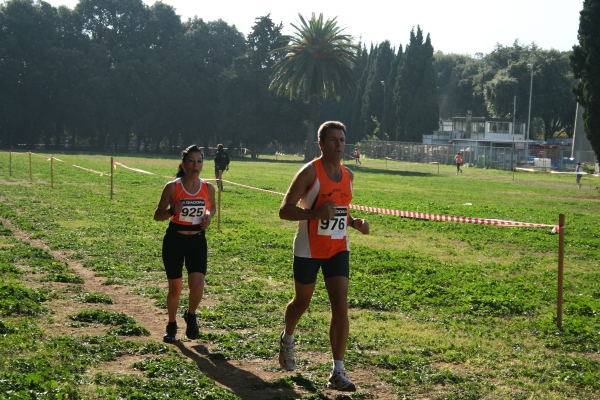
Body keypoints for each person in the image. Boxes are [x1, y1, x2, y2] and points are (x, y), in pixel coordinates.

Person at [278, 121, 370, 392]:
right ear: (321, 143)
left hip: (338, 248)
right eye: (333, 140)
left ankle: (337, 371)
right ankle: (287, 338)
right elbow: (285, 210)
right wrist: (314, 215)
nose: (339, 144)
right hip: (309, 248)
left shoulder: (348, 175)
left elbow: (340, 210)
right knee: (301, 302)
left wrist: (355, 223)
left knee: (340, 306)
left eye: (342, 140)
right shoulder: (310, 172)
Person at [154, 145, 216, 343]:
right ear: (183, 164)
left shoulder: (208, 188)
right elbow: (157, 215)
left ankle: (191, 314)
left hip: (197, 241)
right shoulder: (173, 187)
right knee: (176, 288)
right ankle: (171, 324)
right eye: (191, 161)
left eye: (199, 161)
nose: (195, 165)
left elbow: (212, 208)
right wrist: (173, 211)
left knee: (197, 285)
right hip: (175, 240)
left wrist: (208, 217)